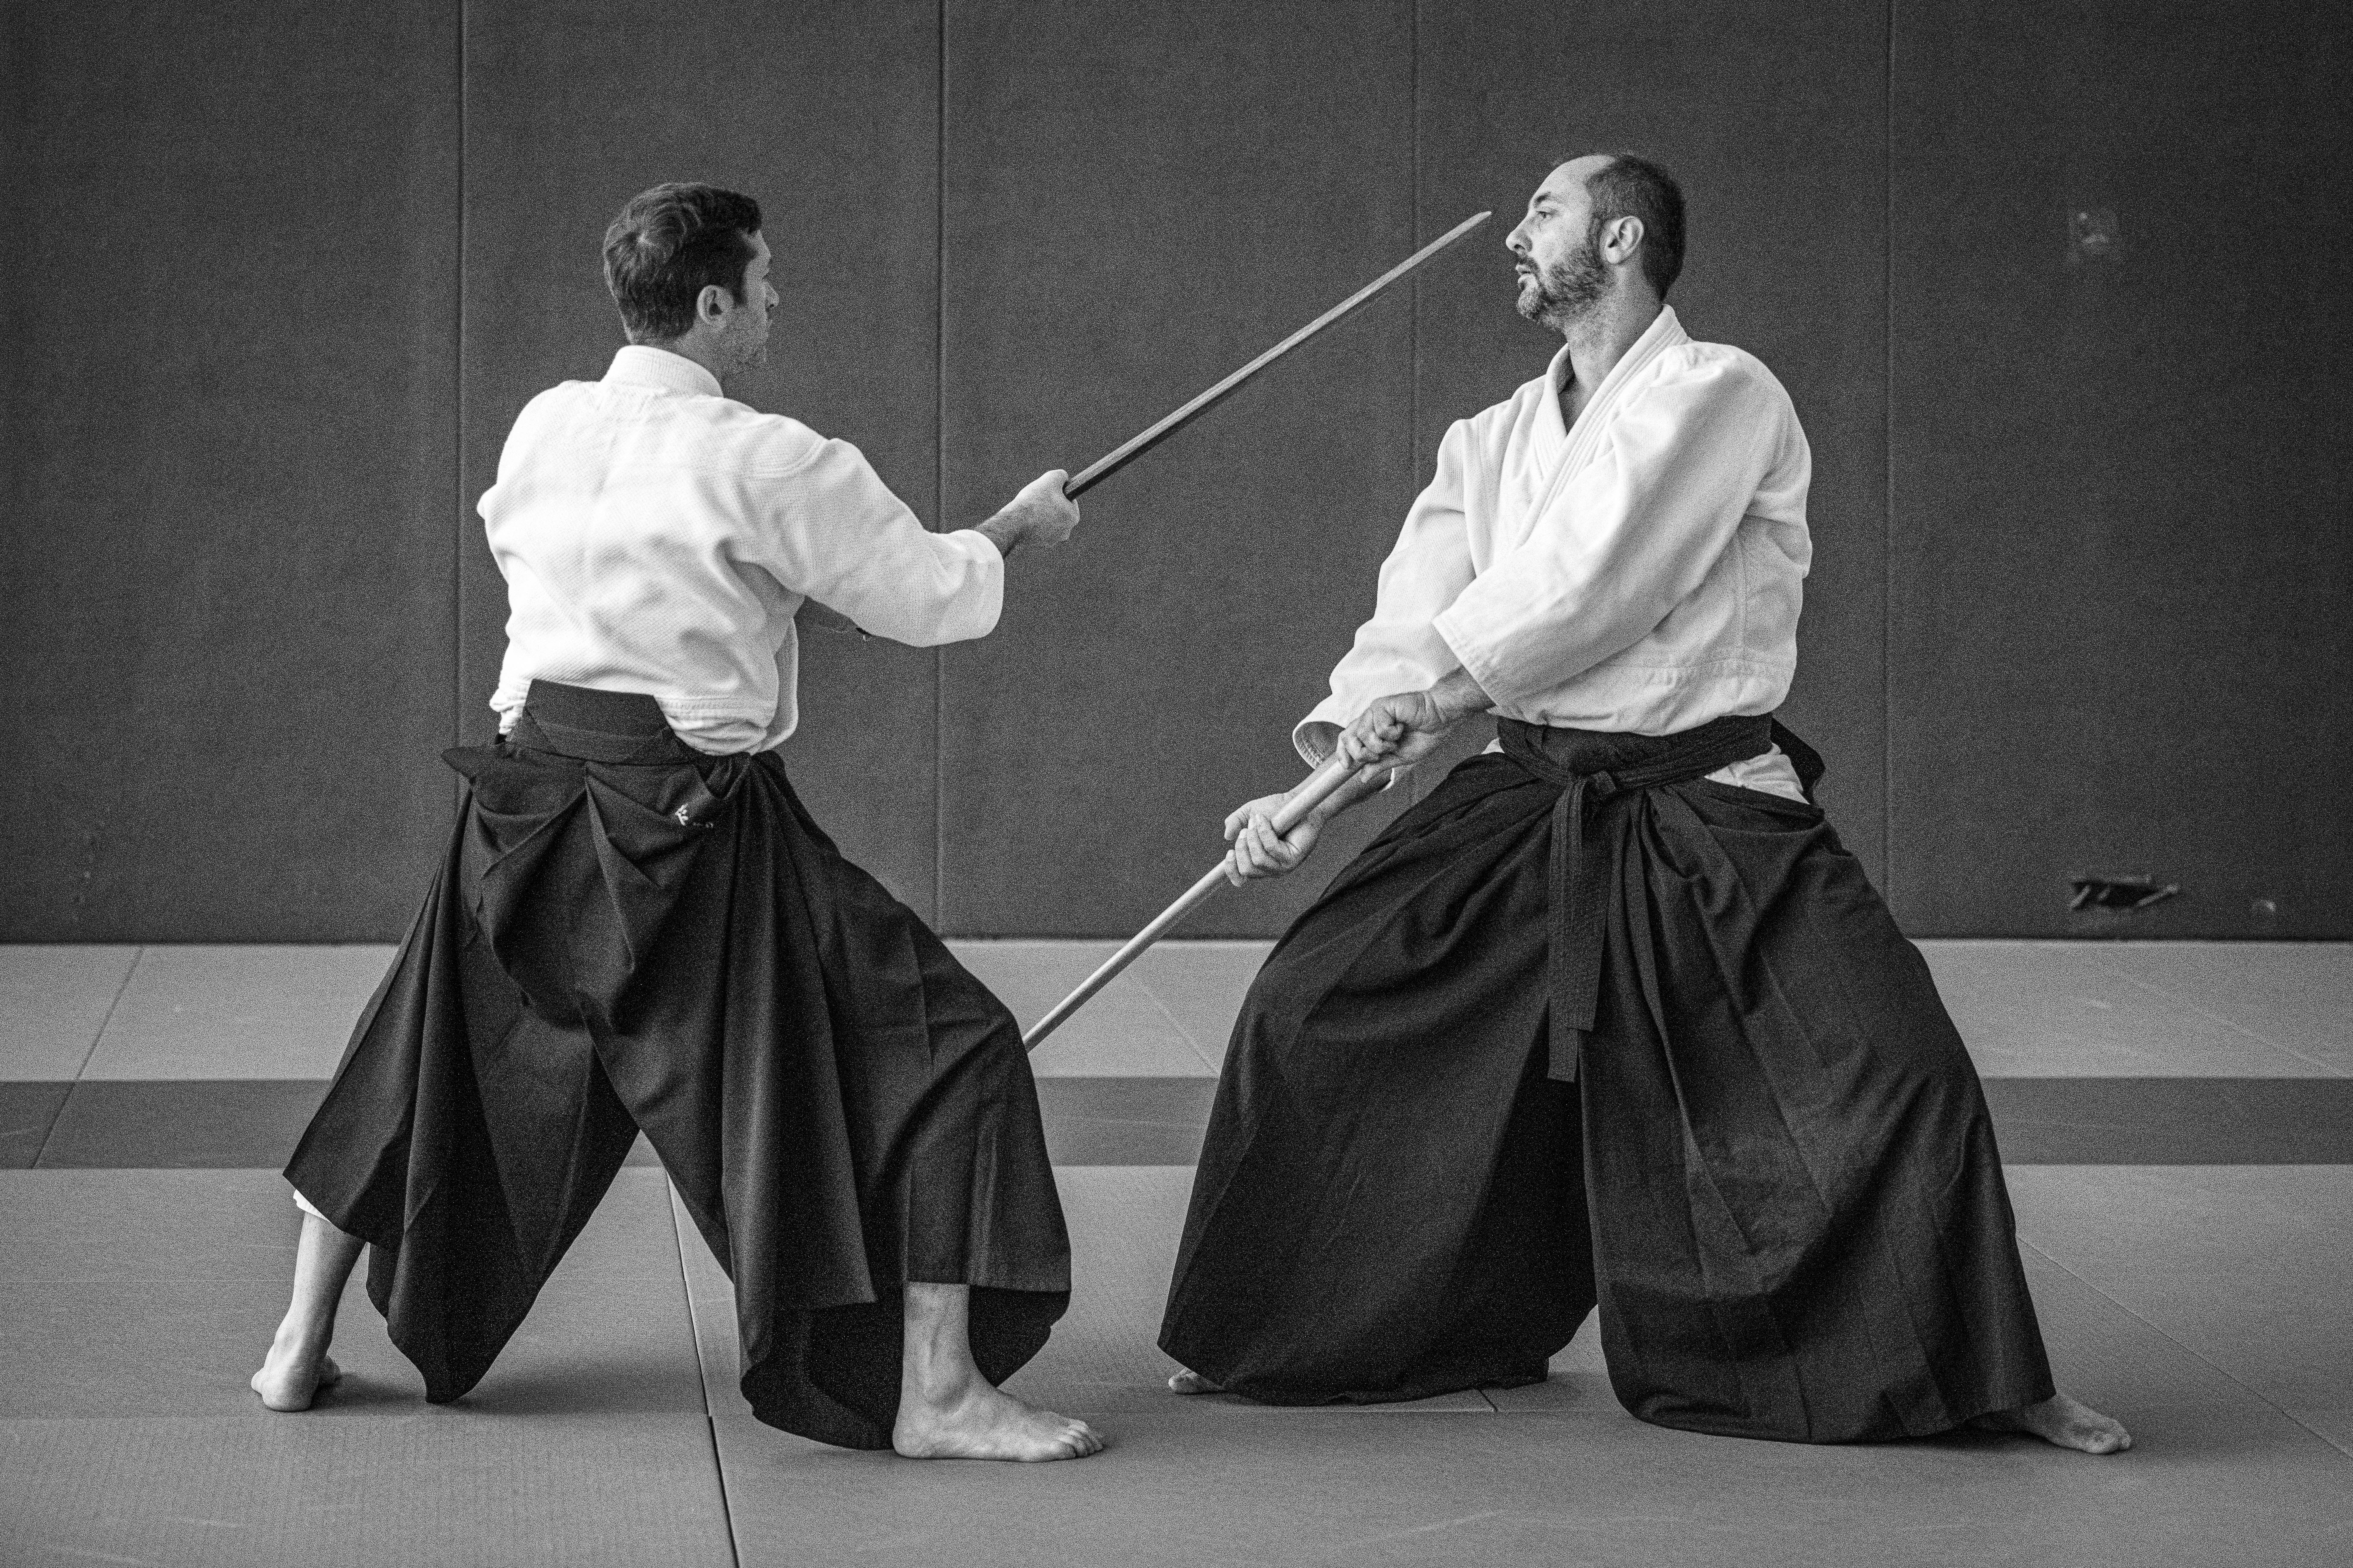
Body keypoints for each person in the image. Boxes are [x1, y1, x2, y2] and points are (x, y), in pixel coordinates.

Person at [1157, 154, 2129, 1456]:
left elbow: (1595, 583)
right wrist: (1311, 793)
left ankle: (1977, 1373)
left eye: (1541, 212)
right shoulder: (1487, 440)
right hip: (1532, 788)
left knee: (1893, 1070)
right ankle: (1326, 1331)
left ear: (1619, 241)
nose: (1515, 235)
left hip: (1704, 796)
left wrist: (1439, 695)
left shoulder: (1719, 393)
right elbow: (1408, 630)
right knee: (1312, 1003)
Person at [253, 182, 1103, 1462]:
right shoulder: (770, 458)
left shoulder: (548, 422)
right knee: (955, 1050)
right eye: (762, 281)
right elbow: (924, 594)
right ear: (711, 303)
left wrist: (765, 598)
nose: (775, 299)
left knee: (417, 1060)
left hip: (523, 807)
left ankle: (296, 1341)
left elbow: (644, 570)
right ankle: (936, 1395)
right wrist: (1017, 529)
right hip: (687, 833)